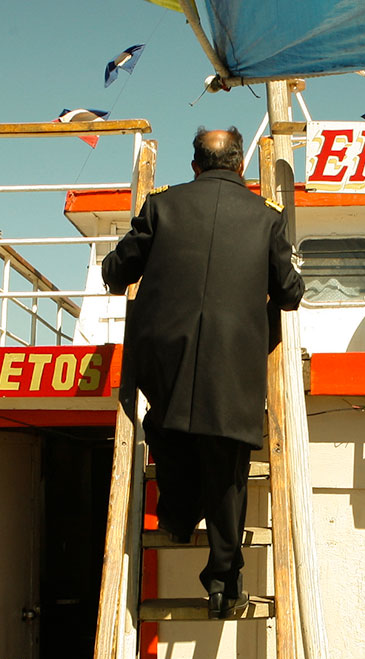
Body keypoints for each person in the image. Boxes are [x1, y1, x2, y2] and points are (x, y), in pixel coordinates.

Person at [101, 127, 304, 617]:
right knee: (227, 470)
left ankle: (175, 515)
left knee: (169, 431)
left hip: (165, 359)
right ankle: (222, 582)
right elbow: (291, 293)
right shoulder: (266, 219)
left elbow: (116, 272)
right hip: (232, 364)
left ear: (195, 166)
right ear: (239, 166)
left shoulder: (161, 206)